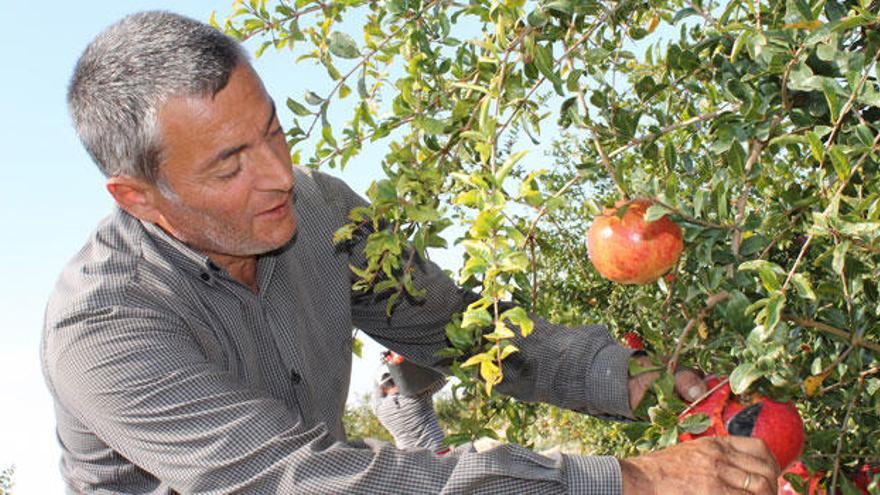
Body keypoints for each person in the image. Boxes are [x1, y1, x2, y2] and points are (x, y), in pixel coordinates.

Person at [41, 10, 780, 494]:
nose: (277, 176)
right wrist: (633, 479)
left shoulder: (321, 209)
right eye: (230, 165)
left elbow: (464, 330)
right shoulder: (102, 332)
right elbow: (307, 482)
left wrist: (640, 375)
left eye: (273, 130)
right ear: (137, 196)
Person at [371, 353, 449, 455]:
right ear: (399, 379)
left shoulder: (379, 409)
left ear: (383, 388)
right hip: (438, 452)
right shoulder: (417, 395)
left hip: (411, 461)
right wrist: (399, 363)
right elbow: (443, 378)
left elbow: (376, 390)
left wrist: (382, 365)